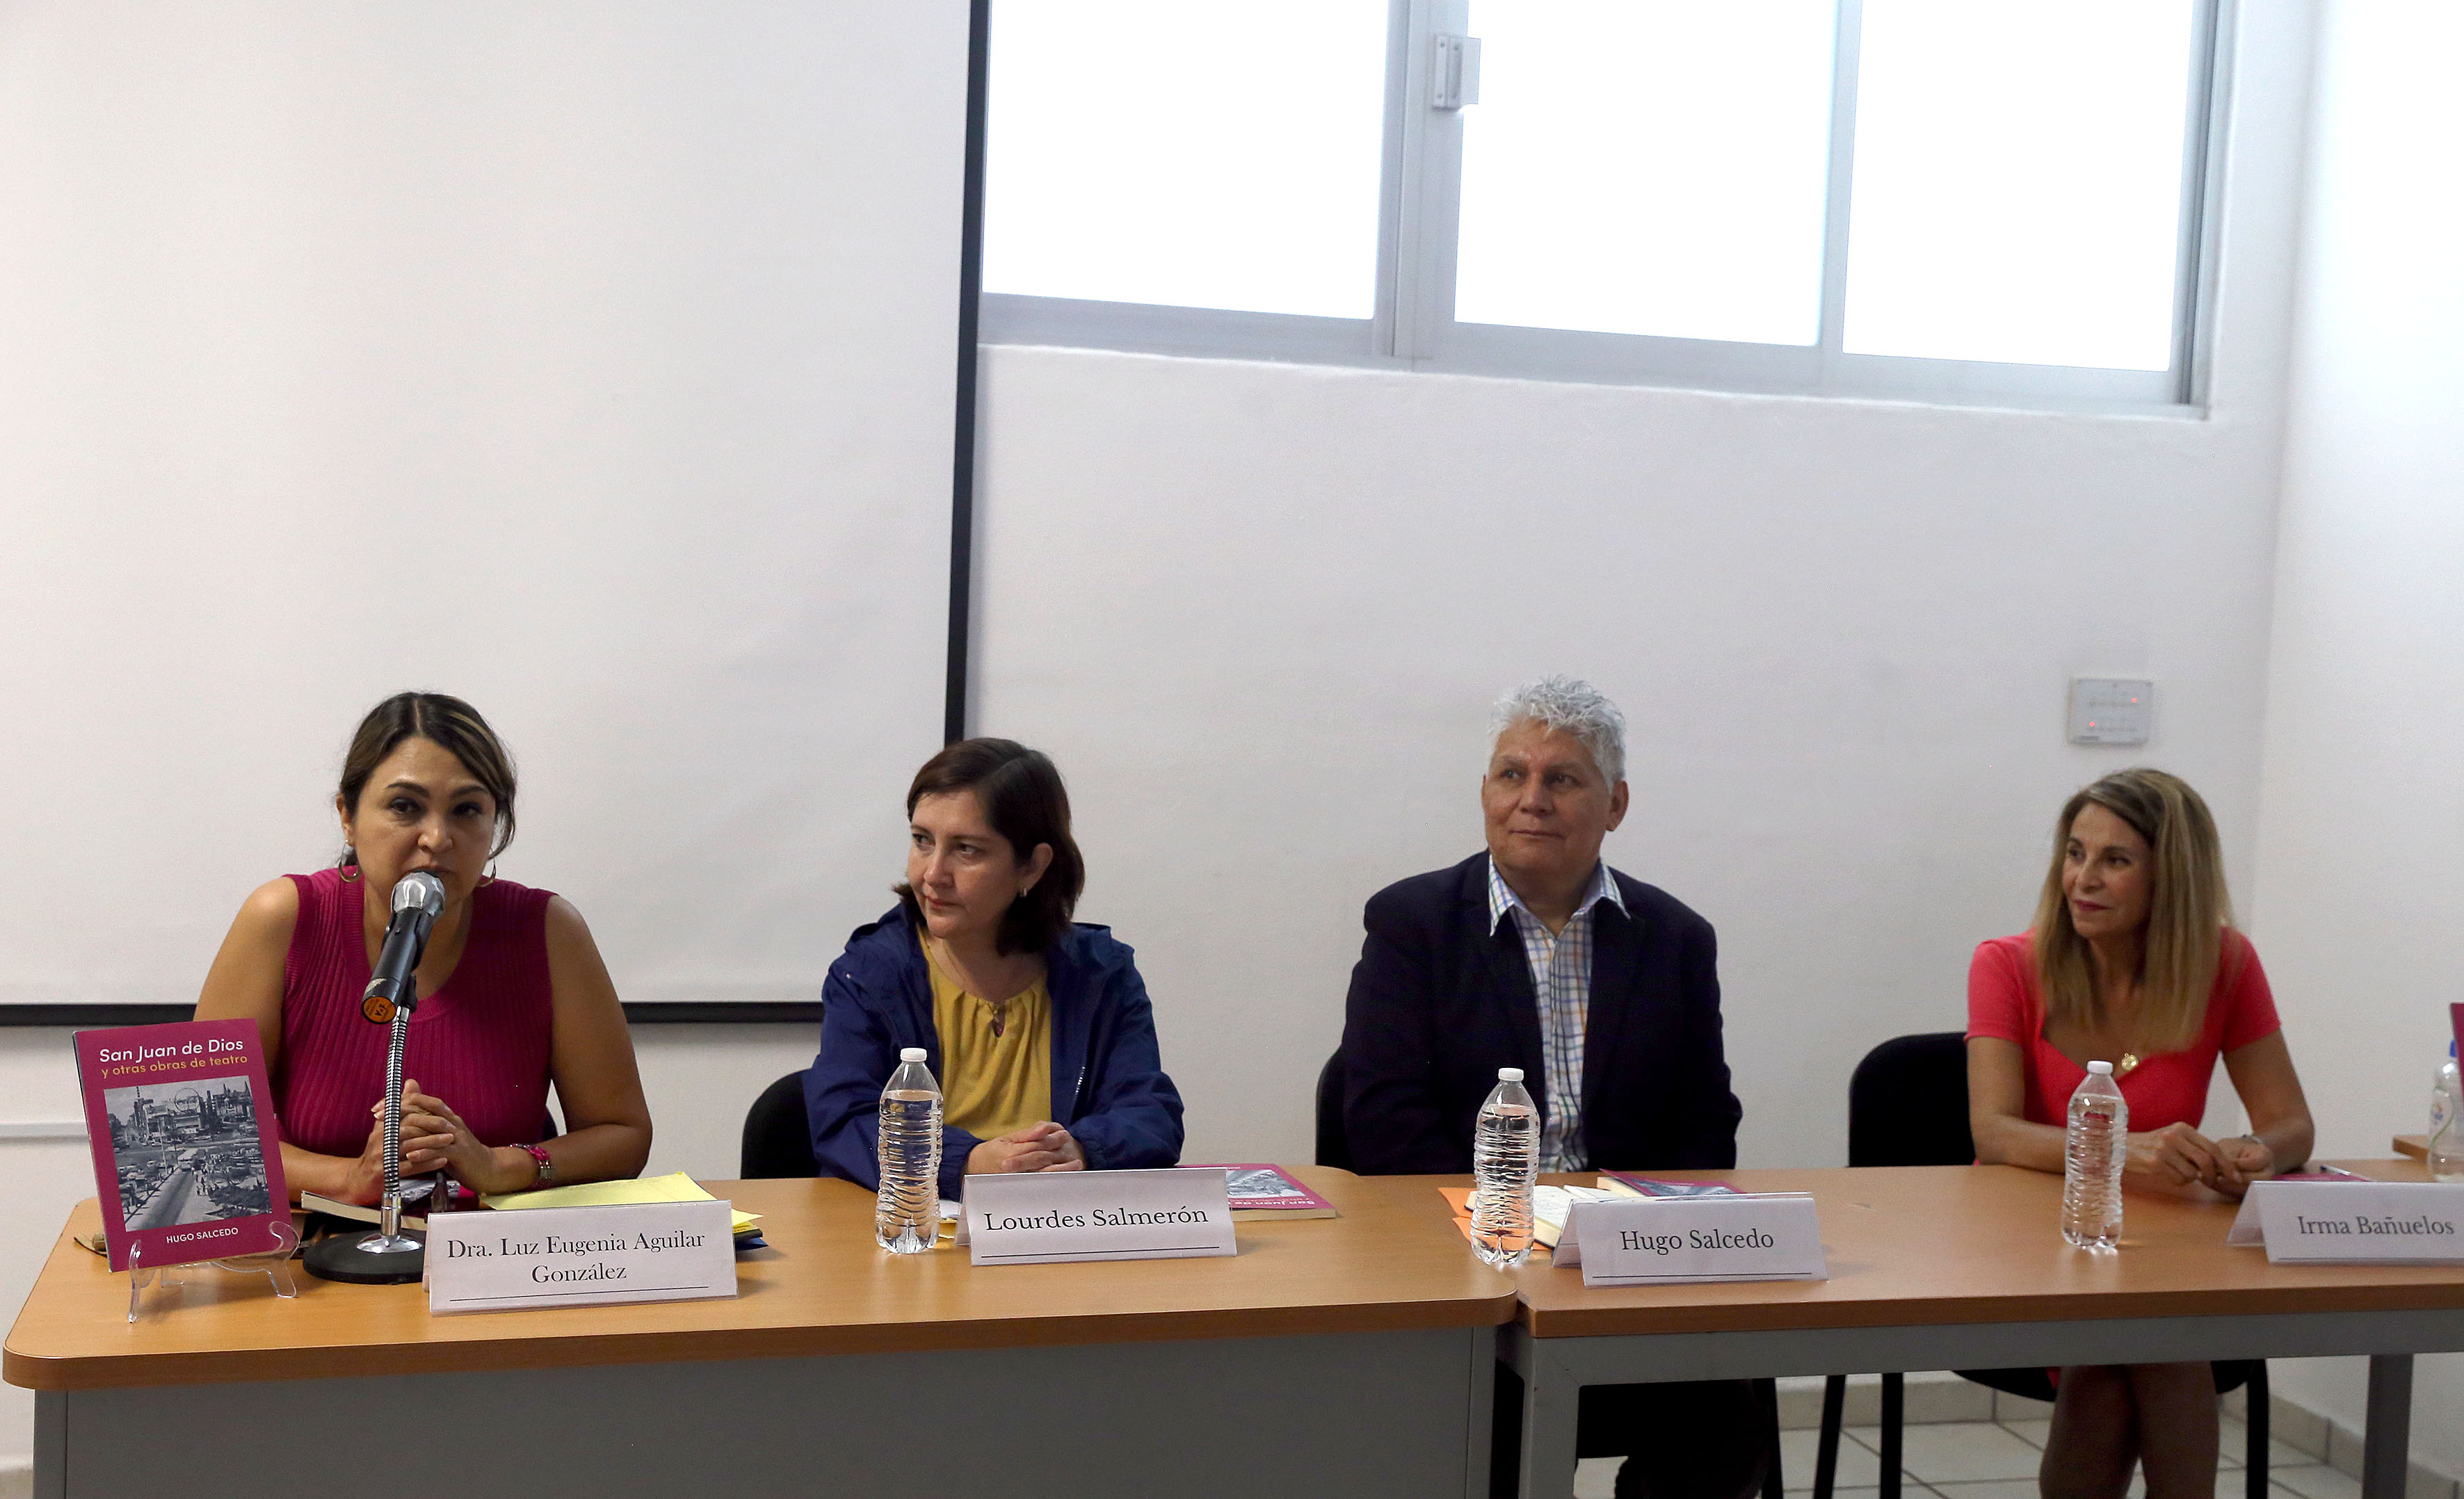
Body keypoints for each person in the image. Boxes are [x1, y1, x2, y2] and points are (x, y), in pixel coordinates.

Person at [1340, 676, 1760, 1499]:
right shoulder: (1412, 923)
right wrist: (1517, 1234)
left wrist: (1621, 1240)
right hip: (1468, 1271)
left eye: (1562, 778)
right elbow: (1385, 1124)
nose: (1531, 799)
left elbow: (1706, 1124)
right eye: (1512, 774)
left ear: (1616, 803)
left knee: (1725, 1434)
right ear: (1486, 791)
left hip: (1624, 1266)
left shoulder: (1675, 938)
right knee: (1492, 1446)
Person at [1967, 768, 2314, 1499]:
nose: (2082, 879)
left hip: (2157, 1246)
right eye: (2074, 853)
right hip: (2033, 1240)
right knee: (2158, 1334)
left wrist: (2255, 1153)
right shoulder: (2007, 963)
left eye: (2115, 860)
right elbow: (1993, 1133)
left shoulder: (2225, 963)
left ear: (2171, 878)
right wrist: (2119, 1151)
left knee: (2129, 1345)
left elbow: (2291, 1125)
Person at [195, 692, 652, 1205]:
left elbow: (623, 1136)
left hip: (492, 1243)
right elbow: (195, 1148)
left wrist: (498, 1165)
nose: (437, 838)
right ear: (347, 816)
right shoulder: (282, 918)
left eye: (467, 810)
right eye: (405, 807)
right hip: (319, 1243)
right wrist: (352, 1179)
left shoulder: (548, 929)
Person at [805, 738, 1183, 1200]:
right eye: (922, 841)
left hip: (1057, 1222)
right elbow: (844, 1121)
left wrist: (1081, 1150)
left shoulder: (1100, 975)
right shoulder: (869, 974)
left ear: (1032, 867)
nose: (932, 874)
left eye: (966, 849)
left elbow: (1150, 1114)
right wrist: (967, 1163)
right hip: (912, 1226)